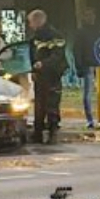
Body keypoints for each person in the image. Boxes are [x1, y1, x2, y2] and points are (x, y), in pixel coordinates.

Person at [26, 9, 67, 144]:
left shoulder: (55, 36)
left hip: (52, 75)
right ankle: (37, 133)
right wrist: (33, 69)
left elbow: (57, 56)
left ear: (38, 21)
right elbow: (31, 55)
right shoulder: (35, 37)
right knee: (39, 105)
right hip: (40, 76)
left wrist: (43, 64)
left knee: (52, 104)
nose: (30, 25)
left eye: (31, 22)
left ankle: (52, 133)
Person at [70, 6, 100, 129]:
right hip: (88, 66)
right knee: (88, 94)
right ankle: (90, 120)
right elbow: (77, 50)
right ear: (84, 17)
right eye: (87, 15)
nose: (90, 18)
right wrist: (79, 66)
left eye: (92, 15)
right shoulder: (81, 32)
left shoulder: (99, 31)